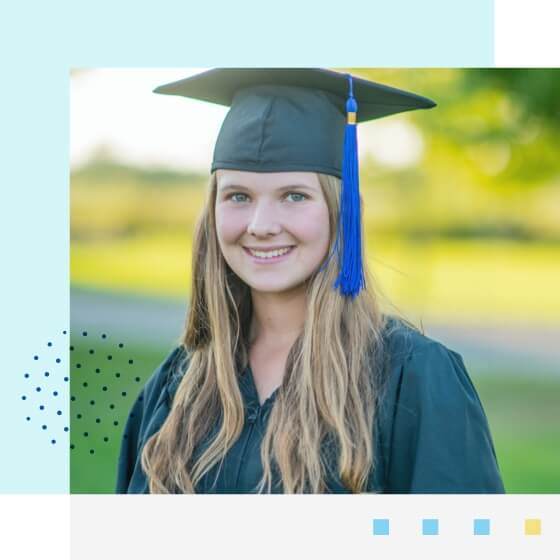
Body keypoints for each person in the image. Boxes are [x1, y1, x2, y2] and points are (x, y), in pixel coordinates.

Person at [116, 68, 505, 494]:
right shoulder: (180, 383)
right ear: (212, 212)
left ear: (342, 213)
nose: (261, 225)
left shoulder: (411, 379)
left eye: (294, 196)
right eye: (238, 196)